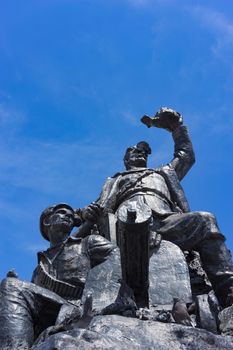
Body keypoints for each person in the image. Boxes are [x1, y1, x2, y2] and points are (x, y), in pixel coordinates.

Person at [83, 107, 233, 308]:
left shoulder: (164, 173)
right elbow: (100, 208)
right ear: (126, 159)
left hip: (166, 220)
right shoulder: (115, 180)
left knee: (205, 220)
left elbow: (186, 155)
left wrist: (176, 127)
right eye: (135, 151)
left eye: (144, 151)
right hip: (126, 223)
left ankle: (228, 290)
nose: (141, 153)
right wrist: (86, 214)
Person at [0, 203, 114, 350]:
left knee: (10, 286)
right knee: (11, 288)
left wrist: (100, 303)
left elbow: (117, 258)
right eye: (61, 212)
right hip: (52, 313)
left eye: (70, 216)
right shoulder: (38, 270)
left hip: (78, 305)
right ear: (47, 221)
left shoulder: (88, 243)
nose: (67, 216)